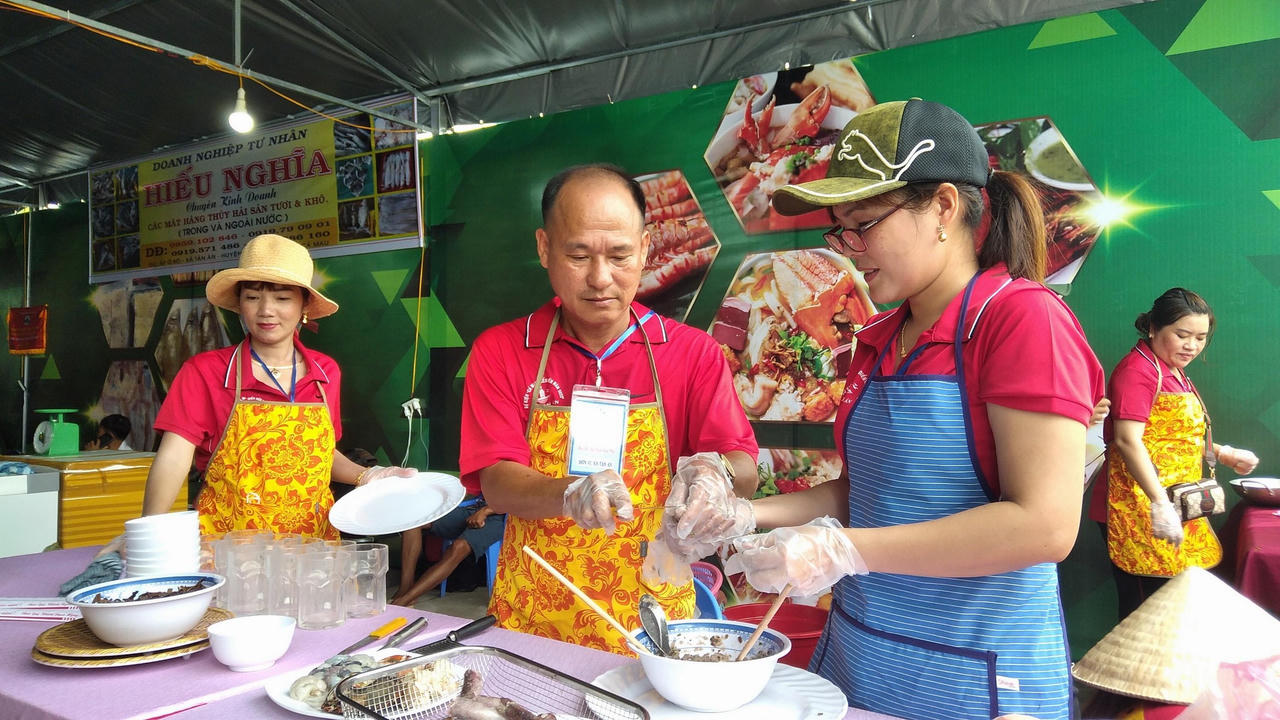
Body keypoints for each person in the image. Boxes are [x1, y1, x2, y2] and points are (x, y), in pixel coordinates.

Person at [681, 100, 1104, 720]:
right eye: (841, 228)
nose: (850, 249)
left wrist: (844, 552)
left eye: (866, 224)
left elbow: (1043, 526)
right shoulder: (879, 337)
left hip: (973, 676)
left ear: (942, 209)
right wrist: (744, 514)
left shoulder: (1020, 320)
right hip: (861, 662)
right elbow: (873, 493)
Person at [459, 164, 759, 652]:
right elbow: (497, 481)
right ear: (544, 248)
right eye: (578, 255)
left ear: (645, 249)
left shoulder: (691, 352)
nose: (600, 278)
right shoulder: (502, 350)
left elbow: (744, 467)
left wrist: (714, 471)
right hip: (536, 613)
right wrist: (570, 493)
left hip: (656, 615)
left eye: (620, 255)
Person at [140, 233, 413, 538]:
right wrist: (148, 532)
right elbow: (174, 458)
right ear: (240, 303)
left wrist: (369, 475)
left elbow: (319, 456)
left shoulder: (325, 373)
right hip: (229, 546)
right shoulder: (206, 372)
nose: (266, 310)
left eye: (282, 298)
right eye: (252, 297)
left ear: (304, 304)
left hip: (312, 548)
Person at [1087, 288, 1259, 620]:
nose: (1191, 346)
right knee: (1145, 612)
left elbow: (1173, 436)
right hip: (1136, 505)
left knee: (1172, 610)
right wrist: (1158, 502)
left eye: (1200, 337)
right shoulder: (1138, 371)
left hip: (1174, 501)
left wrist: (1223, 453)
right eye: (1182, 335)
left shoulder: (1174, 372)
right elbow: (1127, 441)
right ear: (1153, 327)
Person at [389, 497, 505, 606]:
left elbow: (520, 499)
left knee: (458, 547)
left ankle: (404, 601)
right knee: (414, 522)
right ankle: (404, 589)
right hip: (477, 506)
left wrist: (486, 511)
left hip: (504, 517)